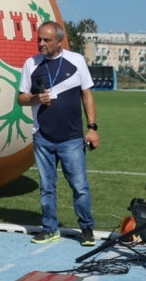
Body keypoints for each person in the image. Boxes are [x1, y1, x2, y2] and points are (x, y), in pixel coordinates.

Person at [17, 21, 99, 246]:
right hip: (42, 136)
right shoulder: (31, 63)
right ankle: (50, 228)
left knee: (80, 186)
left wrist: (92, 128)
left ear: (59, 41)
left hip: (72, 137)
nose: (41, 44)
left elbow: (87, 95)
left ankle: (87, 228)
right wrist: (36, 98)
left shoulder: (77, 60)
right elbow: (21, 97)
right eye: (39, 39)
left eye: (47, 40)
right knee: (47, 187)